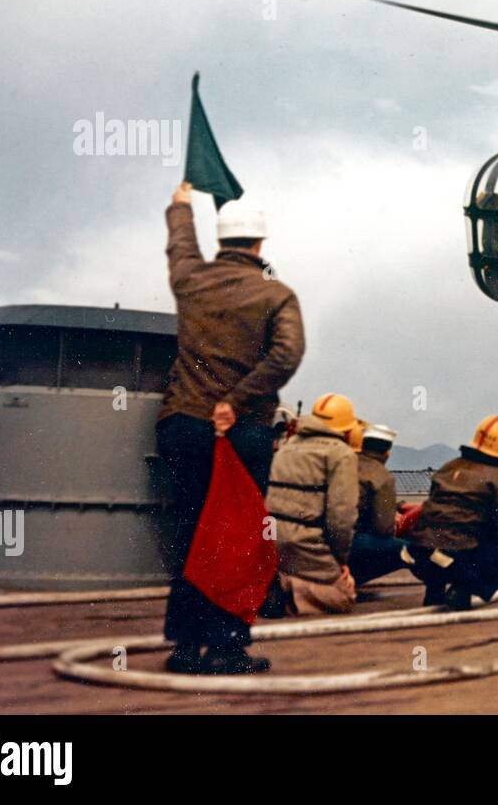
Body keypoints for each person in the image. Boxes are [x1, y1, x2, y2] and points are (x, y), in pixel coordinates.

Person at [157, 182, 305, 675]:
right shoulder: (276, 295)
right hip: (241, 433)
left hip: (182, 424)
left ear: (222, 242)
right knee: (236, 537)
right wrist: (237, 401)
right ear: (260, 244)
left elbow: (181, 248)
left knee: (190, 529)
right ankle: (224, 647)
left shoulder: (191, 281)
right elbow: (286, 353)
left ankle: (183, 647)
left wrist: (181, 207)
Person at [406, 414, 498, 611]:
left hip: (418, 556)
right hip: (457, 560)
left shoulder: (450, 466)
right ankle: (463, 590)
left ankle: (434, 590)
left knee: (439, 539)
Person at [266, 393, 363, 616]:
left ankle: (278, 582)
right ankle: (288, 592)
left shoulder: (287, 445)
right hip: (304, 541)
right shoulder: (341, 454)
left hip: (270, 539)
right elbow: (342, 517)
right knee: (345, 596)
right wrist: (339, 560)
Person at [347, 424, 410, 586]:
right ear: (387, 452)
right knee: (411, 550)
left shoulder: (345, 464)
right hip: (354, 541)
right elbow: (384, 528)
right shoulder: (382, 477)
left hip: (329, 538)